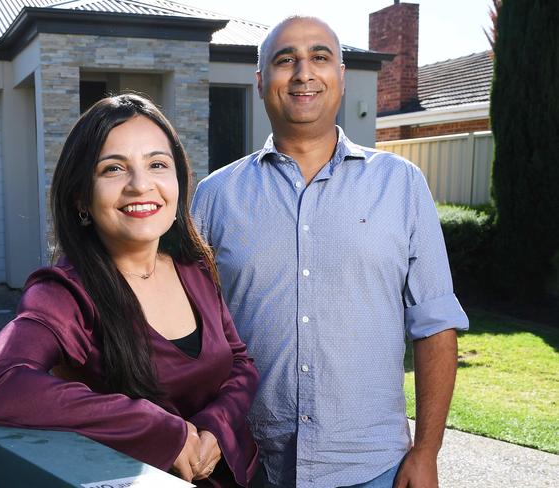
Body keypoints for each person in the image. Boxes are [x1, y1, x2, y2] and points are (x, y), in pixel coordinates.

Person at [191, 15, 469, 488]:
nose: (303, 73)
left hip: (372, 467)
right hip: (250, 466)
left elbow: (435, 323)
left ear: (340, 76)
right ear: (260, 82)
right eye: (285, 60)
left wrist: (426, 452)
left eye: (320, 58)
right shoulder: (216, 196)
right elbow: (187, 332)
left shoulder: (401, 186)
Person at [0, 94, 259, 487]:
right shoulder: (64, 293)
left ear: (178, 181)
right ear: (81, 197)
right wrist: (163, 430)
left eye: (157, 164)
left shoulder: (195, 268)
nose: (140, 185)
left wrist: (215, 428)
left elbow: (240, 362)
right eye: (113, 169)